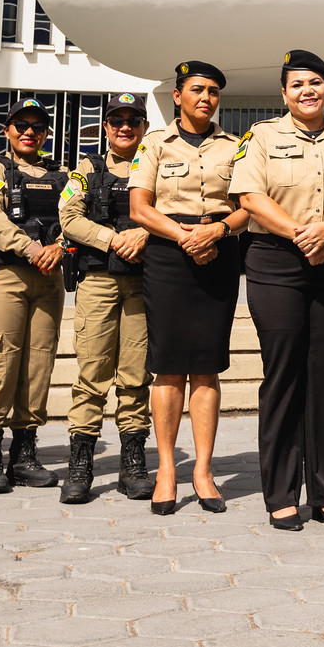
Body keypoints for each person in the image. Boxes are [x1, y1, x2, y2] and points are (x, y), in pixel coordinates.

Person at [232, 50, 324, 531]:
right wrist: (303, 236)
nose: (307, 91)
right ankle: (281, 493)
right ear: (284, 93)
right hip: (276, 262)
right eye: (297, 84)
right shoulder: (261, 137)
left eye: (315, 82)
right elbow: (250, 198)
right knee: (283, 373)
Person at [129, 61, 246, 515]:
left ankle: (203, 470)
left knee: (207, 368)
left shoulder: (235, 146)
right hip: (169, 258)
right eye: (197, 89)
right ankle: (165, 470)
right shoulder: (155, 143)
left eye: (213, 91)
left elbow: (246, 207)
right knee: (169, 367)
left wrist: (215, 233)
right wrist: (185, 237)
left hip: (218, 254)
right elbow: (140, 208)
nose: (206, 98)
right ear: (177, 96)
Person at [57, 91, 155, 503]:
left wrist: (145, 232)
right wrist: (114, 239)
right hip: (98, 280)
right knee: (92, 372)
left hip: (143, 282)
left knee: (136, 373)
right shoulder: (88, 168)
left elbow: (171, 211)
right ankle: (80, 463)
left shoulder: (156, 164)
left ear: (145, 127)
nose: (125, 127)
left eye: (133, 121)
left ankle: (133, 462)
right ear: (106, 127)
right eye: (117, 121)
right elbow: (68, 217)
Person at [0, 98, 69, 495]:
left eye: (38, 127)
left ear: (46, 133)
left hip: (49, 278)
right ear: (7, 130)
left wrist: (61, 246)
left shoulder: (61, 174)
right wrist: (32, 248)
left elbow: (76, 217)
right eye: (21, 125)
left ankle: (24, 455)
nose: (30, 132)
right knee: (0, 361)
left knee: (38, 366)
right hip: (6, 276)